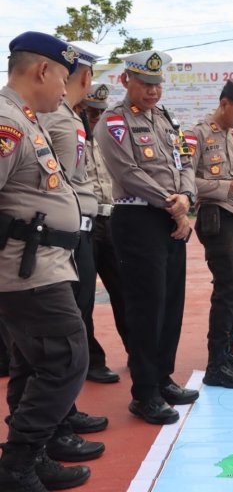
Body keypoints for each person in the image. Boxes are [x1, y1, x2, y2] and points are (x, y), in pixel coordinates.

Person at [0, 30, 92, 491]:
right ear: (42, 70)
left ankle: (31, 455)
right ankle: (16, 467)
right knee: (67, 359)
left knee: (34, 363)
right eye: (63, 75)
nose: (66, 87)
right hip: (26, 271)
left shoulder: (28, 118)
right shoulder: (7, 122)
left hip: (41, 266)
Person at [94, 49, 199, 425]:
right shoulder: (114, 122)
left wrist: (186, 198)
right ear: (126, 81)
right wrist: (174, 205)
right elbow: (127, 171)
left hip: (173, 218)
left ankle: (163, 378)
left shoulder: (166, 120)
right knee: (145, 307)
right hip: (138, 218)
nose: (154, 91)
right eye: (146, 83)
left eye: (158, 84)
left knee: (171, 303)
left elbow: (185, 161)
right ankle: (144, 394)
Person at [39, 43, 119, 386]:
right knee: (74, 308)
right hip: (70, 225)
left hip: (103, 220)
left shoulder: (76, 120)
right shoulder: (57, 117)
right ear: (84, 80)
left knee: (116, 294)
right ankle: (81, 371)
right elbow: (62, 180)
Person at [186, 79, 233, 389]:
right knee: (227, 287)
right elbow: (186, 181)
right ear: (224, 103)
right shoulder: (196, 135)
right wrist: (227, 186)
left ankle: (228, 351)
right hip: (216, 217)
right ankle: (215, 363)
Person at [79, 82, 130, 353]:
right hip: (84, 224)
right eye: (90, 112)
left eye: (99, 112)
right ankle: (93, 361)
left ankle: (138, 355)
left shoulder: (108, 139)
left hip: (113, 221)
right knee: (83, 297)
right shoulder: (68, 138)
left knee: (125, 292)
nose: (96, 118)